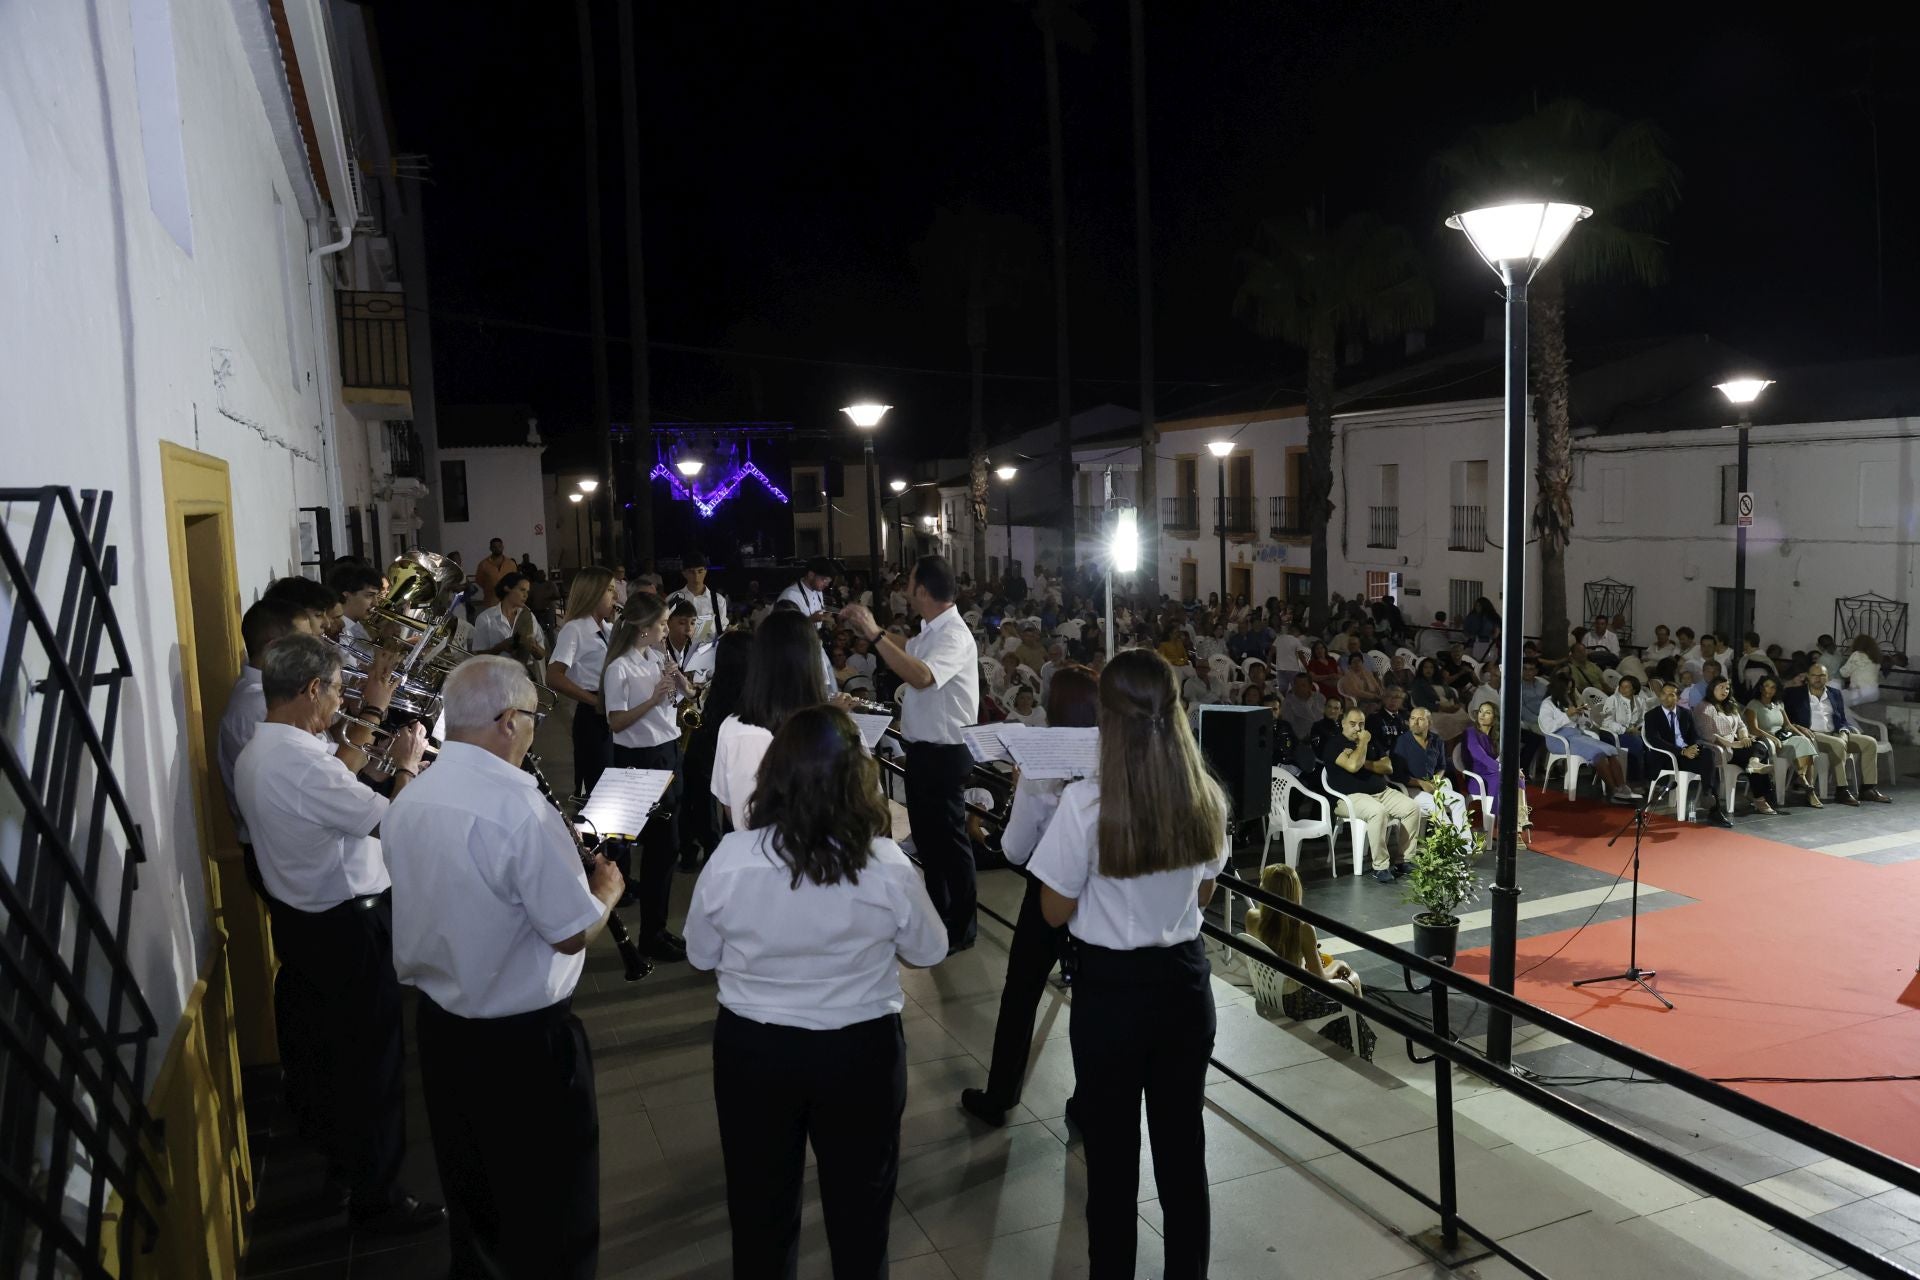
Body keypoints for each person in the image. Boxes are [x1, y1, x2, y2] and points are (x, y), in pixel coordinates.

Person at [382, 658, 623, 1279]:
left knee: (475, 1201)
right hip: (526, 1048)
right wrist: (607, 892)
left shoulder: (411, 795)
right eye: (534, 719)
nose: (534, 731)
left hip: (443, 1033)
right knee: (553, 1212)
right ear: (509, 721)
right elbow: (571, 934)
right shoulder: (520, 810)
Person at [687, 705, 946, 1278]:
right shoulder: (885, 864)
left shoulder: (733, 859)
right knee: (860, 1216)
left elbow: (700, 954)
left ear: (774, 774)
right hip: (860, 1054)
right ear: (859, 776)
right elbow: (929, 951)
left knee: (760, 1214)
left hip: (754, 1053)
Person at [1027, 650, 1227, 1279]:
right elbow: (1202, 894)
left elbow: (1053, 912)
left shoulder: (1087, 807)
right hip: (1183, 987)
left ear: (1105, 723)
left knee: (1112, 1167)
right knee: (1182, 1157)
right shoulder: (1206, 799)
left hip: (1111, 995)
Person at [231, 635, 441, 1233]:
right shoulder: (296, 761)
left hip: (308, 924)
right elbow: (394, 822)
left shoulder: (266, 750)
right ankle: (379, 1195)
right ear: (312, 689)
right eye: (339, 688)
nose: (343, 700)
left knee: (336, 1058)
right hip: (344, 928)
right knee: (372, 1063)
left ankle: (347, 1169)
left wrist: (373, 749)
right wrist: (405, 765)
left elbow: (334, 795)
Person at [960, 667, 1098, 1128]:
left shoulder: (1043, 760)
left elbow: (1016, 849)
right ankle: (1086, 1101)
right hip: (1099, 892)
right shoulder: (1117, 751)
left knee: (1022, 991)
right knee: (1092, 997)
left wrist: (1020, 790)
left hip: (1049, 890)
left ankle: (1001, 1094)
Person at [840, 555, 980, 953]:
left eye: (910, 583)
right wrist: (874, 632)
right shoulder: (930, 630)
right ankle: (937, 915)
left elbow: (920, 675)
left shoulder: (953, 633)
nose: (904, 590)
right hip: (923, 751)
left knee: (950, 844)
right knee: (931, 843)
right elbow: (909, 651)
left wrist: (874, 633)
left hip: (946, 752)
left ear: (923, 590)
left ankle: (961, 928)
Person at [601, 594, 694, 960]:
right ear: (643, 628)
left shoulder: (656, 656)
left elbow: (680, 699)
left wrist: (683, 686)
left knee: (668, 848)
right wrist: (655, 698)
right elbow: (615, 722)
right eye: (661, 623)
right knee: (657, 849)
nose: (666, 628)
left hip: (669, 752)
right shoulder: (618, 668)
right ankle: (649, 936)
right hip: (640, 760)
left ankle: (658, 929)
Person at [713, 610, 833, 831]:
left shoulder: (733, 728)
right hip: (822, 857)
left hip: (754, 854)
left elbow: (729, 806)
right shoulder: (839, 727)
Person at [1243, 863, 1374, 1057]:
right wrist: (1337, 964)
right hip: (1297, 1003)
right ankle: (1360, 1048)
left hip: (1268, 993)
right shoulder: (1302, 928)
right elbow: (1319, 979)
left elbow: (1277, 951)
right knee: (1351, 979)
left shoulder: (1252, 917)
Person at [1321, 705, 1424, 883]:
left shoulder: (1370, 740)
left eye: (1361, 724)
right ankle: (1380, 866)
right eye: (1352, 724)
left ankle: (1404, 860)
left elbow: (1388, 766)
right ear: (1342, 723)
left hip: (1381, 792)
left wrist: (1363, 760)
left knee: (1412, 807)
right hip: (1348, 797)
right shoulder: (1334, 744)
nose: (1358, 728)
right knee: (1378, 812)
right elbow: (1352, 767)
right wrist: (1362, 744)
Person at [680, 629, 753, 864]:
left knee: (711, 813)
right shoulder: (750, 692)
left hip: (708, 757)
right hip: (729, 765)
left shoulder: (722, 685)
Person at [548, 566, 617, 798]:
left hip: (612, 711)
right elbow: (554, 676)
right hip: (592, 712)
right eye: (609, 590)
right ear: (592, 593)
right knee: (595, 785)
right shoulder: (575, 629)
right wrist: (593, 701)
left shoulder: (609, 629)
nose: (615, 597)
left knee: (612, 781)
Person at [1783, 664, 1890, 805]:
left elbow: (1841, 720)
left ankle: (1868, 789)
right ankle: (1842, 790)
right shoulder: (1794, 693)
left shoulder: (1835, 693)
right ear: (1808, 677)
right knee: (1838, 744)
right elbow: (1786, 719)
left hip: (1834, 733)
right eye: (1814, 675)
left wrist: (1843, 732)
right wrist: (1798, 728)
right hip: (1811, 735)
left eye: (1822, 675)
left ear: (1827, 678)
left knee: (1870, 742)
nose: (1818, 679)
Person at [1643, 681, 1734, 827]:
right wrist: (1682, 751)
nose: (1666, 698)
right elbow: (1655, 741)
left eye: (1671, 694)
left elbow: (1696, 737)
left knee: (1708, 756)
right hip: (1668, 757)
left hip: (1687, 756)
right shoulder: (1651, 715)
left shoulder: (1685, 713)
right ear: (1660, 696)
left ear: (1677, 698)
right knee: (1709, 767)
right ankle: (1711, 803)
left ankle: (1708, 797)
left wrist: (1694, 748)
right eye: (1663, 694)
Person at [1538, 674, 1637, 802]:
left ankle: (1622, 788)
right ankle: (1612, 791)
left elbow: (1575, 721)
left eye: (1570, 688)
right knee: (1597, 754)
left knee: (1611, 750)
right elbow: (1547, 728)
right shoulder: (1547, 704)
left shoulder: (1566, 700)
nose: (1569, 691)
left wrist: (1582, 717)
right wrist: (1566, 716)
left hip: (1576, 735)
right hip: (1559, 739)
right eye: (1567, 689)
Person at [1694, 675, 1780, 816]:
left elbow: (1741, 725)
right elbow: (1706, 734)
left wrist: (1744, 737)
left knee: (1761, 742)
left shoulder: (1730, 704)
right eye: (1721, 687)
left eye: (1727, 688)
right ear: (1712, 689)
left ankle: (1754, 763)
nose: (1725, 691)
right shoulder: (1704, 707)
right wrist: (1731, 743)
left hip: (1737, 745)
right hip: (1719, 748)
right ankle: (1761, 797)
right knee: (1755, 752)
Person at [1393, 706, 1473, 837]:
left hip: (1432, 785)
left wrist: (1436, 779)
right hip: (1411, 789)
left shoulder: (1437, 740)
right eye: (1412, 718)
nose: (1415, 722)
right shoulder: (1402, 742)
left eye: (1420, 719)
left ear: (1429, 723)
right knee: (1435, 805)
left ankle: (1467, 845)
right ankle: (1453, 843)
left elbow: (1442, 766)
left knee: (1458, 799)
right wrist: (1420, 783)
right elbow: (1397, 774)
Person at [1462, 701, 1532, 848]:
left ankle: (1519, 826)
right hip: (1478, 777)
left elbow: (1502, 758)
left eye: (1487, 712)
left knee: (1518, 778)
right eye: (1481, 711)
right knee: (1505, 777)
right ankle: (1510, 829)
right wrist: (1505, 769)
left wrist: (1513, 768)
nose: (1482, 715)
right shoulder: (1470, 733)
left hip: (1494, 772)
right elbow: (1480, 757)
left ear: (1494, 718)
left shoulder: (1495, 736)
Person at [1747, 674, 1819, 807]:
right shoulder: (1753, 704)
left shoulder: (1779, 704)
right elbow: (1753, 729)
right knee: (1797, 746)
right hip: (1768, 742)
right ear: (1761, 687)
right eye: (1766, 686)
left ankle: (1806, 783)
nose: (1769, 690)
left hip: (1783, 737)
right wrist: (1772, 737)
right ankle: (1806, 784)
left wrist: (1801, 734)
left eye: (1773, 687)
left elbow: (1788, 725)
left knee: (1804, 741)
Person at [471, 572, 548, 678]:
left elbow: (541, 655)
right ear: (507, 588)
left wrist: (534, 647)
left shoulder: (528, 617)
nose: (525, 595)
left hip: (523, 677)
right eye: (522, 590)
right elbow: (478, 656)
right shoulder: (486, 618)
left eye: (527, 591)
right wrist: (500, 647)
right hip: (495, 676)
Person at [1595, 672, 1652, 783]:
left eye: (1627, 687)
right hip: (1611, 733)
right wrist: (1626, 730)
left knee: (1650, 742)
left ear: (1634, 689)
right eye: (1621, 686)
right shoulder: (1613, 700)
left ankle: (1649, 778)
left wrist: (1639, 728)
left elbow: (1644, 718)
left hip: (1631, 731)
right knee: (1636, 743)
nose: (1623, 689)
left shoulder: (1639, 701)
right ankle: (1634, 781)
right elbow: (1607, 722)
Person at [665, 550, 729, 646]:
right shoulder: (674, 598)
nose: (696, 577)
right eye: (691, 572)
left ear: (705, 571)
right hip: (679, 653)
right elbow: (664, 627)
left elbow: (721, 630)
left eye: (700, 571)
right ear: (684, 573)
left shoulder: (718, 600)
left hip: (709, 653)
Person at [326, 561, 384, 647]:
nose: (376, 603)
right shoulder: (336, 633)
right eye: (369, 595)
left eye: (377, 596)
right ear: (347, 594)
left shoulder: (358, 626)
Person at [778, 556, 835, 623]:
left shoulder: (818, 590)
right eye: (824, 580)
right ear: (811, 575)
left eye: (828, 582)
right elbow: (786, 628)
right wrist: (810, 620)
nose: (826, 585)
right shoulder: (790, 595)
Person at [1839, 635, 1884, 710]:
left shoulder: (1857, 655)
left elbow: (1844, 673)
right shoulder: (1876, 657)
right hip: (1874, 693)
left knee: (1832, 699)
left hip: (1860, 692)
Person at [1280, 672, 1326, 741]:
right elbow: (1288, 725)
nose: (1299, 688)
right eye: (1297, 685)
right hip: (1302, 740)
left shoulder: (1320, 698)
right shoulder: (1288, 702)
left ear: (1310, 686)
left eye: (1303, 685)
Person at [474, 538, 518, 607]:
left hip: (507, 602)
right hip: (490, 602)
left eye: (499, 546)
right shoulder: (483, 564)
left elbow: (515, 580)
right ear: (490, 548)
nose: (497, 549)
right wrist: (491, 586)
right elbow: (479, 580)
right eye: (494, 547)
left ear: (502, 547)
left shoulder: (511, 564)